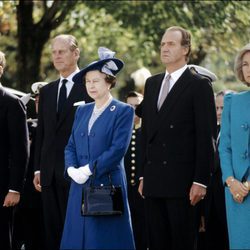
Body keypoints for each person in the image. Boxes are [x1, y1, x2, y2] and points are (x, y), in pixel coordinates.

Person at [138, 26, 217, 250]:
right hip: (153, 182)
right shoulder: (152, 84)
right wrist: (144, 175)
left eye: (171, 44)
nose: (164, 48)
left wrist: (201, 181)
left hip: (183, 185)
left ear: (185, 49)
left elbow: (206, 137)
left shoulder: (199, 85)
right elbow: (147, 133)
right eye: (162, 44)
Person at [60, 47, 135, 250]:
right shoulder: (82, 110)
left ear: (109, 82)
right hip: (79, 185)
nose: (90, 86)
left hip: (106, 185)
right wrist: (71, 169)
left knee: (103, 239)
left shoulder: (123, 110)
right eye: (87, 81)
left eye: (96, 81)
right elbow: (70, 145)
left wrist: (89, 169)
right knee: (76, 238)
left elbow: (118, 149)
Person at [33, 34, 93, 250]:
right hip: (49, 175)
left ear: (76, 53)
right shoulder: (47, 91)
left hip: (79, 173)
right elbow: (42, 133)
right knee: (52, 234)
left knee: (78, 232)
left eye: (62, 51)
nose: (57, 56)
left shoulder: (90, 87)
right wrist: (38, 169)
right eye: (54, 52)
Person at [219, 43, 250, 249]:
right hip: (236, 195)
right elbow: (225, 147)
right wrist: (230, 181)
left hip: (244, 188)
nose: (248, 68)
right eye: (245, 64)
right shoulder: (233, 101)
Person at [12, 82, 47, 250]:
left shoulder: (56, 124)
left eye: (43, 99)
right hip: (26, 189)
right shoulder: (28, 124)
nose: (39, 103)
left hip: (46, 188)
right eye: (37, 100)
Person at [0, 51, 29, 249]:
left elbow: (21, 149)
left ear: (0, 69)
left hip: (2, 189)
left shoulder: (12, 103)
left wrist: (14, 189)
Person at [125, 91, 147, 250]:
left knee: (143, 226)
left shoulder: (146, 131)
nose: (133, 109)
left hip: (143, 188)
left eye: (137, 106)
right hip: (124, 187)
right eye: (129, 106)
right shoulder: (120, 131)